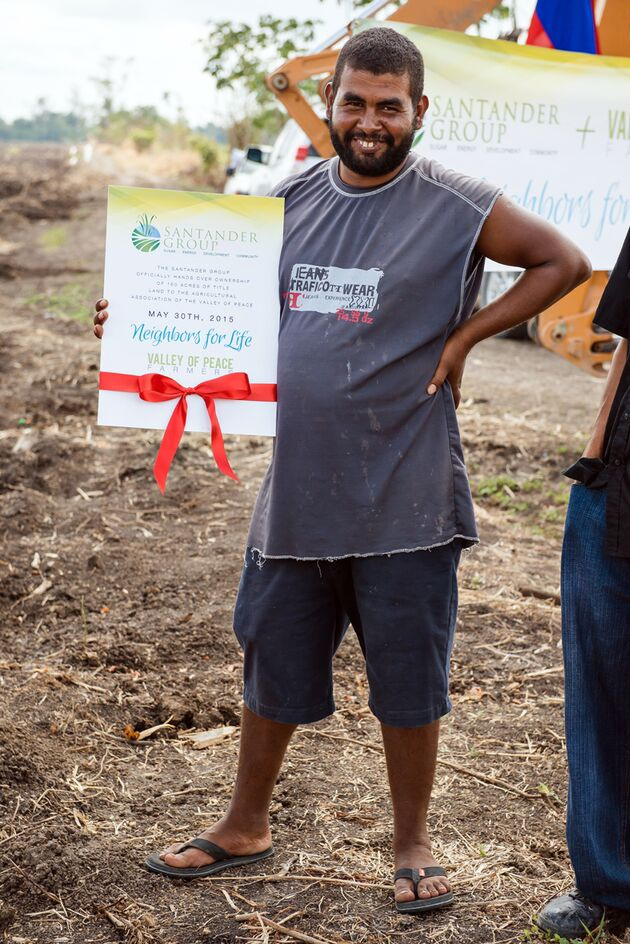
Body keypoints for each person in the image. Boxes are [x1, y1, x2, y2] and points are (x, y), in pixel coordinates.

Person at [94, 27, 590, 914]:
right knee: (271, 653)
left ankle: (412, 844)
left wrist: (466, 337)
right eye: (354, 101)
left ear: (419, 110)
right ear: (329, 103)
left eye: (388, 106)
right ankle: (245, 824)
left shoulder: (459, 203)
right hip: (298, 490)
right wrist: (136, 321)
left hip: (407, 493)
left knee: (409, 673)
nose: (369, 121)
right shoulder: (283, 204)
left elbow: (567, 261)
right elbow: (221, 316)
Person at [536, 228, 630, 939]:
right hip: (620, 484)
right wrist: (595, 457)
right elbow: (629, 340)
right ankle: (606, 884)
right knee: (601, 685)